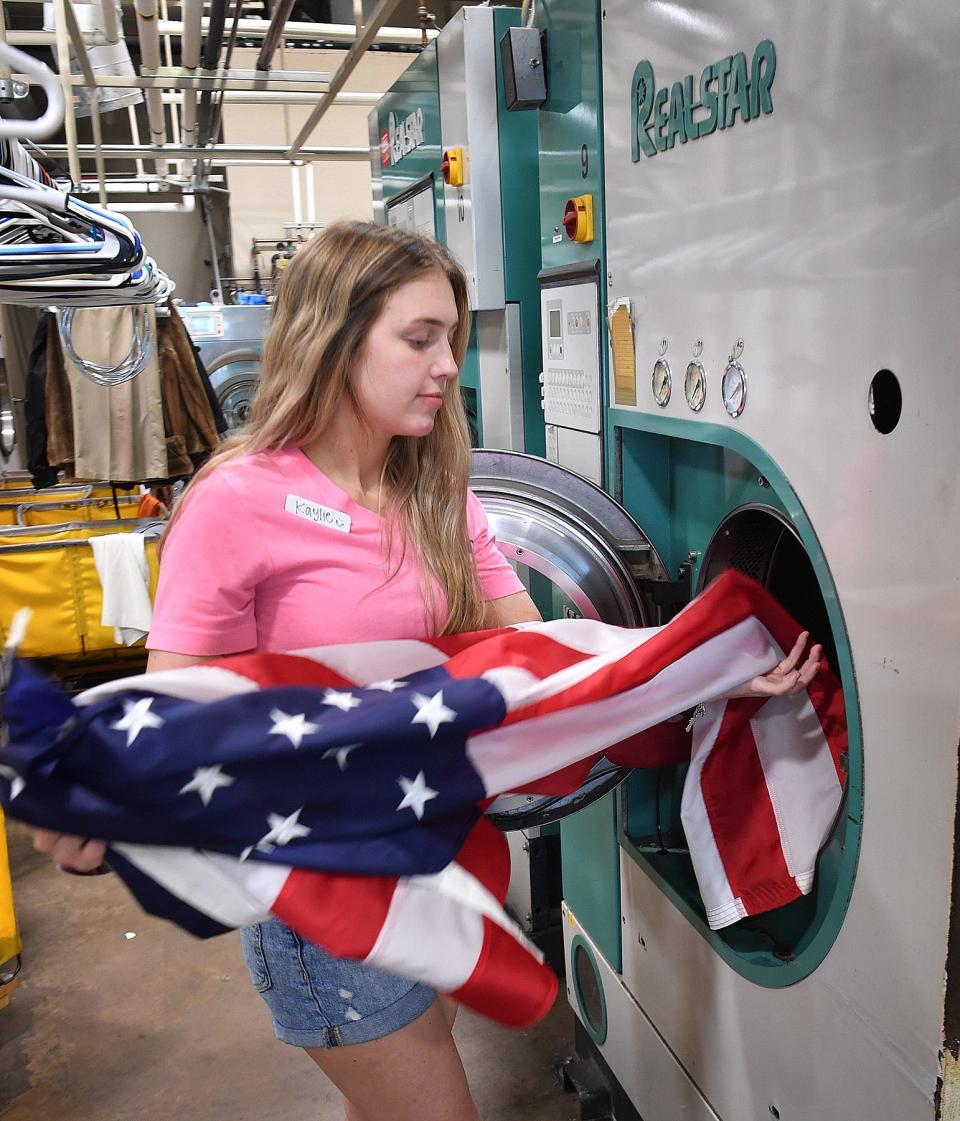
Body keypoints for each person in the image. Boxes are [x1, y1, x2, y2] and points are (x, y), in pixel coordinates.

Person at [32, 220, 821, 1121]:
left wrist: (694, 670)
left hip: (439, 852)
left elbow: (541, 660)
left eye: (448, 336)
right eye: (419, 339)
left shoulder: (434, 490)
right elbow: (173, 709)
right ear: (332, 340)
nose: (448, 364)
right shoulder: (237, 501)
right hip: (325, 884)